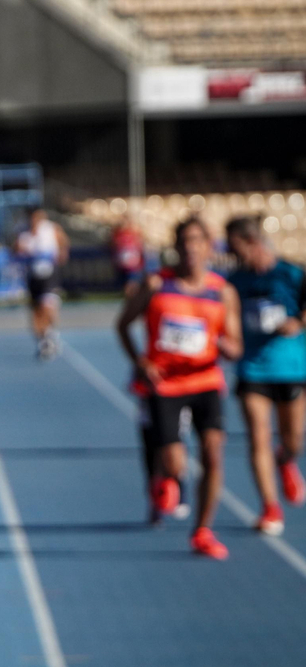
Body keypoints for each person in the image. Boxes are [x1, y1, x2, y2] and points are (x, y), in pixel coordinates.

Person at [116, 217, 241, 559]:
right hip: (166, 384)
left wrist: (227, 346)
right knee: (174, 463)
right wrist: (141, 362)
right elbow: (123, 324)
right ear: (176, 247)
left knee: (213, 453)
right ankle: (166, 477)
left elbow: (235, 344)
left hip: (205, 381)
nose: (190, 248)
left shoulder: (222, 291)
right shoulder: (156, 284)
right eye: (184, 241)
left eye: (197, 241)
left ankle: (202, 531)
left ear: (208, 245)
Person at [223, 216, 306, 535]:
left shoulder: (291, 273)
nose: (232, 255)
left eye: (235, 248)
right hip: (252, 367)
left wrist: (297, 322)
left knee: (292, 438)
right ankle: (270, 507)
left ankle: (286, 460)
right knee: (258, 435)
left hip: (291, 368)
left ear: (252, 243)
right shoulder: (234, 281)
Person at [16, 207, 69, 360]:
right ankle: (43, 339)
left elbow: (63, 240)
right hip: (33, 276)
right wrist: (20, 249)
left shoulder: (50, 229)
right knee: (36, 311)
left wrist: (63, 251)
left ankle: (51, 334)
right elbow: (15, 249)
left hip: (49, 274)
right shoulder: (23, 232)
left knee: (48, 306)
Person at [112, 215, 145, 291]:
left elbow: (139, 246)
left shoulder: (134, 234)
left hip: (133, 264)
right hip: (122, 264)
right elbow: (114, 246)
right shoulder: (118, 234)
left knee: (132, 283)